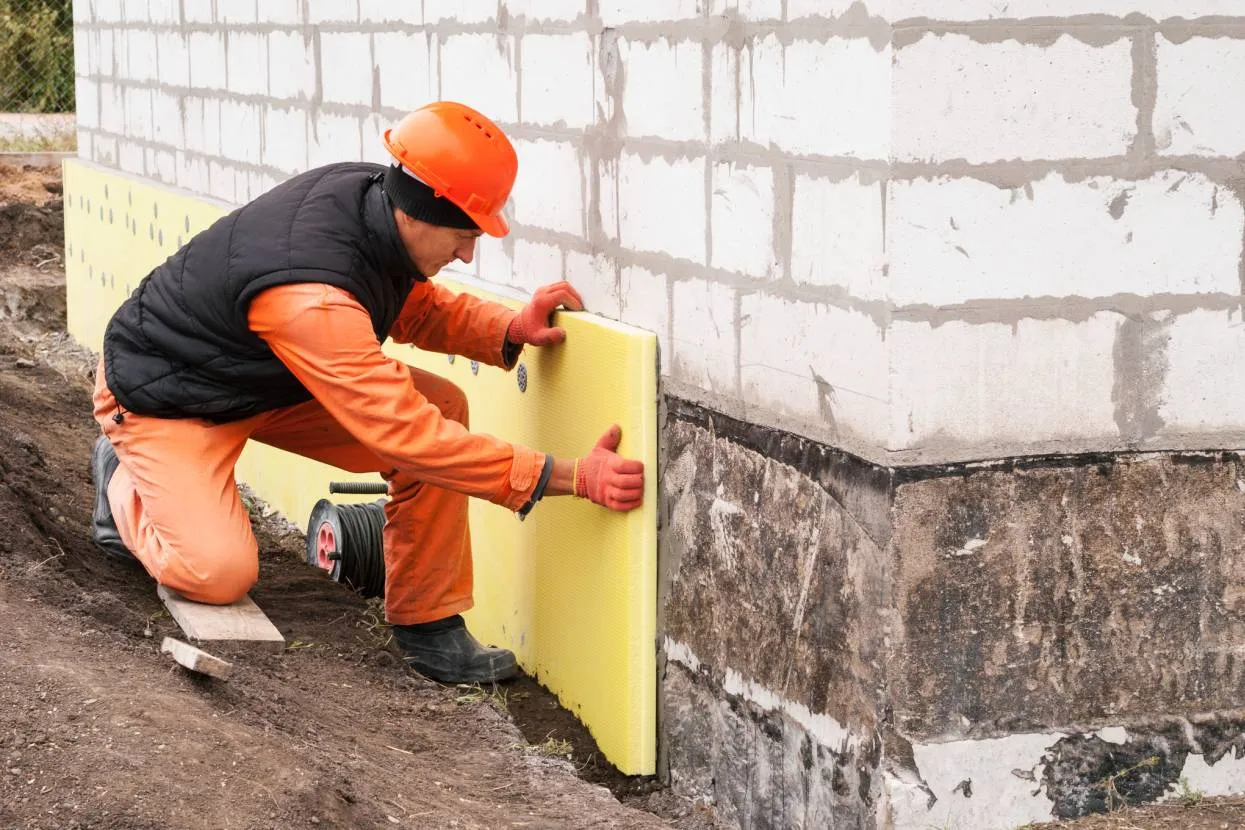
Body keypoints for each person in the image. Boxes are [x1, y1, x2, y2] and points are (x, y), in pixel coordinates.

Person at [88, 101, 645, 684]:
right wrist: (567, 476)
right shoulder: (311, 298)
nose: (467, 254)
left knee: (443, 407)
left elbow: (404, 302)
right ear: (421, 212)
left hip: (265, 377)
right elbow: (409, 439)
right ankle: (125, 479)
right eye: (463, 235)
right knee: (216, 573)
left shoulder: (373, 202)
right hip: (167, 398)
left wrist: (505, 329)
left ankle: (429, 625)